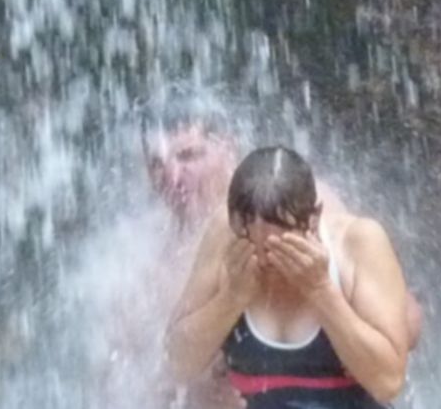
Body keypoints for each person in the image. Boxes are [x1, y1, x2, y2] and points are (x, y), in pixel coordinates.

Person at [165, 146, 410, 408]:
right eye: (252, 243)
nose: (266, 259)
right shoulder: (224, 236)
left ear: (313, 219)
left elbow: (388, 382)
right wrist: (231, 298)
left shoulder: (360, 242)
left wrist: (322, 291)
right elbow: (178, 362)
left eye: (280, 246)